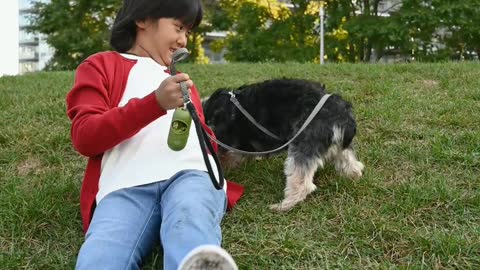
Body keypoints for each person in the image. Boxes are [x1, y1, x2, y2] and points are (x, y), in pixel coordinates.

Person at [66, 0, 244, 269]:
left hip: (191, 174)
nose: (183, 41)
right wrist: (155, 103)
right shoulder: (101, 65)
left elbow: (204, 138)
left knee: (190, 223)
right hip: (125, 184)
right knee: (102, 255)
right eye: (178, 27)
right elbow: (85, 136)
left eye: (188, 32)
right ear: (143, 19)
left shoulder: (183, 82)